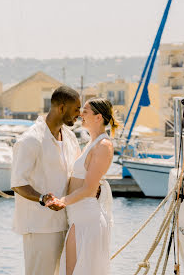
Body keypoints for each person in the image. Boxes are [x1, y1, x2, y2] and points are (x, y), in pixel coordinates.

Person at [11, 86, 81, 275]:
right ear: (61, 107)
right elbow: (18, 183)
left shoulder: (70, 137)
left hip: (66, 222)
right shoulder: (30, 140)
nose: (79, 114)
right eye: (76, 109)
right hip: (39, 226)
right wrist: (43, 198)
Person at [46, 97, 119, 275]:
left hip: (88, 220)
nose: (80, 115)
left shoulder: (104, 145)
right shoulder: (91, 144)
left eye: (85, 111)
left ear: (98, 117)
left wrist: (62, 201)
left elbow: (89, 189)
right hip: (78, 218)